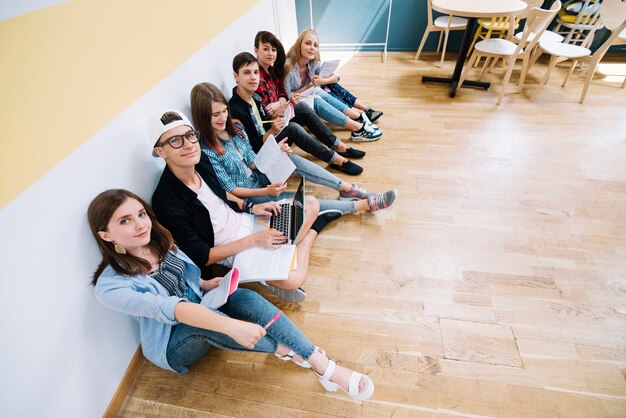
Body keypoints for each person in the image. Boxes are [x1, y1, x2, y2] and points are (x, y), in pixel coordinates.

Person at [88, 188, 374, 401]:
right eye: (125, 221)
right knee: (199, 320)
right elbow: (174, 309)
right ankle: (300, 356)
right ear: (106, 235)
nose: (140, 224)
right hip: (174, 344)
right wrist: (231, 325)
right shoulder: (110, 287)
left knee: (244, 297)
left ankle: (315, 361)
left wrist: (204, 284)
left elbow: (186, 278)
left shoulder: (160, 241)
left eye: (140, 214)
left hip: (202, 307)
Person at [149, 110, 322, 303]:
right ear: (160, 151)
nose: (189, 145)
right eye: (175, 140)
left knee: (311, 204)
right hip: (232, 247)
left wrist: (250, 207)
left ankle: (279, 259)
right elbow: (204, 257)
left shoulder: (201, 161)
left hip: (247, 220)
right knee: (294, 279)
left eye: (190, 136)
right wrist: (254, 241)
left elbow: (220, 192)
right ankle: (309, 234)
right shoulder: (166, 202)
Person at [190, 81, 398, 215]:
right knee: (300, 202)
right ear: (202, 117)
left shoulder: (235, 127)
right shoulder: (205, 151)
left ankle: (347, 188)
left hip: (259, 174)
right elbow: (231, 189)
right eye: (215, 114)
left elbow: (252, 160)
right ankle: (364, 205)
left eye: (224, 111)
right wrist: (266, 190)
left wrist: (275, 153)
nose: (222, 118)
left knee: (291, 159)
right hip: (251, 193)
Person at [228, 52, 363, 175]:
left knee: (300, 107)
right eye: (247, 73)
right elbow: (252, 148)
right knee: (293, 129)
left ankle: (338, 145)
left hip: (268, 137)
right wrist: (273, 131)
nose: (253, 77)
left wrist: (285, 109)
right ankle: (335, 160)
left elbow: (263, 120)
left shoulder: (254, 97)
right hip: (260, 154)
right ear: (236, 76)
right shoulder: (235, 110)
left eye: (256, 72)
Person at [253, 30, 365, 160]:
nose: (270, 54)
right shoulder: (261, 77)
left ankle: (347, 130)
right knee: (311, 102)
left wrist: (280, 102)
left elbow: (282, 93)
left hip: (285, 110)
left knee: (321, 90)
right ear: (256, 50)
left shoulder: (272, 71)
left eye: (273, 50)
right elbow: (270, 113)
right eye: (266, 49)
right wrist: (285, 102)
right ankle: (347, 136)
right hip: (275, 125)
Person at [284, 29, 383, 142]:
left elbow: (336, 76)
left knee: (319, 91)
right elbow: (287, 100)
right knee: (316, 96)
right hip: (292, 110)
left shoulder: (312, 64)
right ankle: (358, 128)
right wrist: (308, 87)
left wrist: (321, 81)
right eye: (308, 43)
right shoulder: (288, 67)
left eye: (315, 45)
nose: (312, 48)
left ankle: (357, 117)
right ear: (299, 44)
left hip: (306, 99)